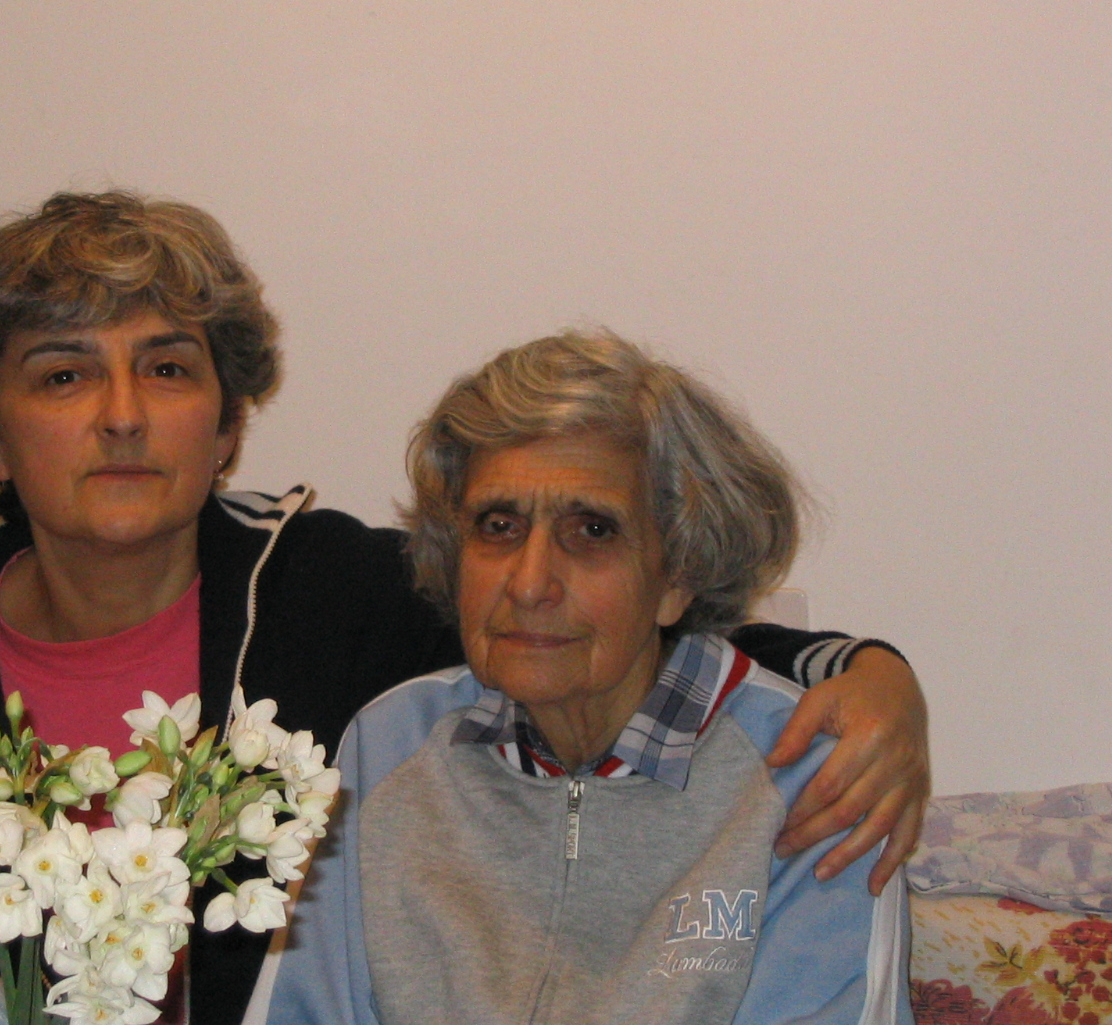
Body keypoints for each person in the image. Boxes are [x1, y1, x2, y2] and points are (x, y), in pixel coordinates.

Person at [0, 191, 927, 1025]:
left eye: (167, 369)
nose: (122, 417)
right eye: (63, 378)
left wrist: (864, 672)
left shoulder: (334, 592)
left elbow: (627, 631)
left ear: (228, 425)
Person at [261, 329, 913, 1025]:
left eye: (593, 531)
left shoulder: (809, 776)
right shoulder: (390, 745)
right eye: (499, 525)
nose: (530, 583)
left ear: (678, 572)